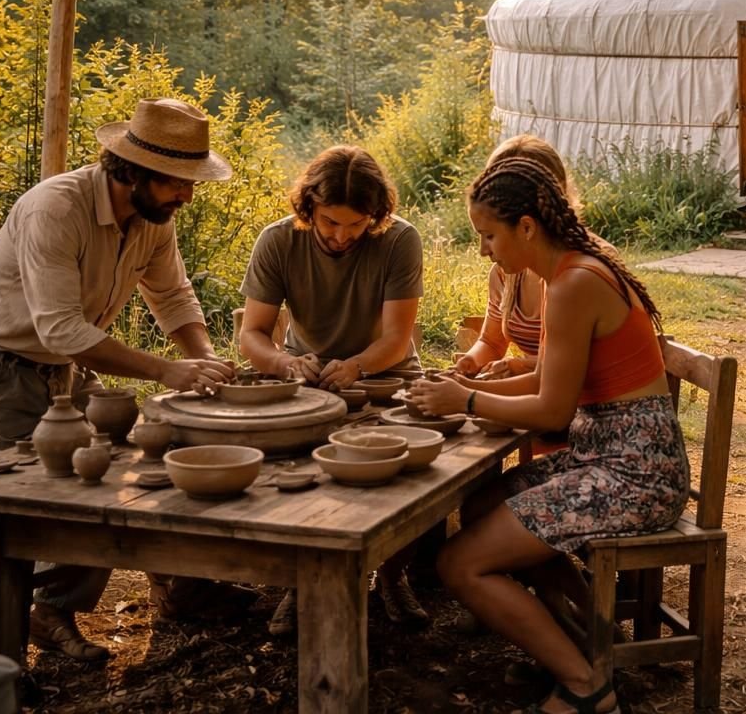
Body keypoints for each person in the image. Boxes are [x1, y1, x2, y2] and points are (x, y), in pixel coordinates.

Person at [0, 98, 245, 662]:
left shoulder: (154, 219)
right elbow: (60, 328)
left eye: (192, 182)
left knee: (99, 487)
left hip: (60, 371)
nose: (188, 194)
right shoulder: (55, 208)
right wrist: (164, 369)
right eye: (177, 182)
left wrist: (206, 363)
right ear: (131, 171)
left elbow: (173, 295)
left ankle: (51, 611)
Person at [409, 155, 690, 714]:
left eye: (488, 236)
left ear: (527, 228)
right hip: (608, 455)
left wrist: (462, 400)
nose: (485, 249)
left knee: (458, 563)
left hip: (634, 475)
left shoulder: (572, 284)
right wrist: (478, 382)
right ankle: (591, 645)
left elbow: (553, 409)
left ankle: (587, 687)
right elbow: (548, 376)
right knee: (486, 501)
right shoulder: (574, 270)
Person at [237, 145, 424, 633]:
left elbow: (396, 338)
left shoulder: (400, 241)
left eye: (356, 225)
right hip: (310, 374)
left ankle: (393, 574)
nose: (342, 236)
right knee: (297, 465)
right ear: (307, 210)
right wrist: (284, 362)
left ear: (376, 216)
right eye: (330, 223)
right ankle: (302, 584)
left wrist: (358, 367)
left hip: (386, 373)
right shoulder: (278, 241)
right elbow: (253, 333)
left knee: (406, 467)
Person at [452, 135, 577, 457]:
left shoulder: (574, 275)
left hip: (576, 422)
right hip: (538, 405)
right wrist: (470, 365)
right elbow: (493, 342)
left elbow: (566, 384)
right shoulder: (509, 270)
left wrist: (467, 392)